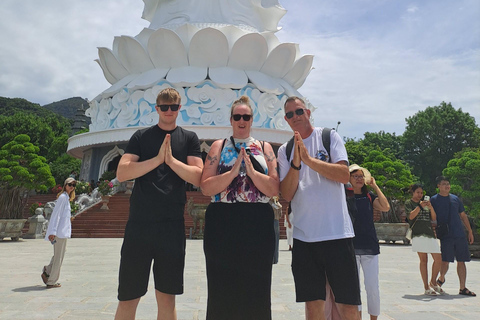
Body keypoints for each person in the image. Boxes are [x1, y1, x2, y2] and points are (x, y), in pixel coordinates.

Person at [113, 88, 204, 320]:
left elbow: (198, 177)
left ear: (179, 108)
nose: (169, 111)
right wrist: (156, 160)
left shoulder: (189, 138)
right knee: (128, 296)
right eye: (164, 107)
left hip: (171, 226)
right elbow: (122, 173)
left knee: (166, 297)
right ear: (157, 109)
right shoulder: (141, 137)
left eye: (174, 107)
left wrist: (171, 160)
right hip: (139, 225)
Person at [277, 96, 361, 320]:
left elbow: (344, 175)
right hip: (305, 238)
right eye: (289, 114)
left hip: (337, 235)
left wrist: (309, 160)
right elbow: (286, 194)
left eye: (299, 112)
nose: (295, 117)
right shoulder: (284, 150)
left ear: (308, 112)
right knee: (313, 306)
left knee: (348, 306)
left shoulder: (328, 136)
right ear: (285, 120)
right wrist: (296, 162)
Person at [200, 96, 279, 319]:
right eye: (237, 117)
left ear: (252, 119)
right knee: (221, 284)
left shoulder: (265, 148)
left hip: (257, 220)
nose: (241, 121)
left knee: (257, 284)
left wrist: (253, 174)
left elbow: (274, 188)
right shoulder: (219, 146)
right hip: (223, 219)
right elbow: (206, 187)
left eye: (246, 116)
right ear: (231, 119)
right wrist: (233, 172)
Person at [348, 164, 390, 320]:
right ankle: (357, 317)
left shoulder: (369, 196)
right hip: (351, 246)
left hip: (370, 246)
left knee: (372, 286)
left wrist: (375, 186)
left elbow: (385, 207)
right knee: (354, 288)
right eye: (355, 176)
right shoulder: (345, 195)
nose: (359, 179)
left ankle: (374, 318)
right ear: (349, 178)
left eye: (361, 176)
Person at [430, 176, 476, 297]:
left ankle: (462, 287)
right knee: (445, 261)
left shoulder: (455, 199)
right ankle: (441, 278)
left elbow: (463, 215)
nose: (447, 186)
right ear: (438, 186)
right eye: (444, 184)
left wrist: (470, 231)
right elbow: (430, 216)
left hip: (459, 234)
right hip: (445, 235)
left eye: (448, 184)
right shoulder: (434, 200)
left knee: (462, 260)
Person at [404, 184, 443, 296]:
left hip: (429, 234)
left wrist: (430, 207)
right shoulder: (409, 203)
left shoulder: (426, 204)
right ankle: (426, 287)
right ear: (413, 192)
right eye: (418, 192)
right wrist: (420, 206)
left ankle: (433, 281)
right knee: (424, 260)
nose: (420, 195)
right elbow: (410, 216)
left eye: (421, 193)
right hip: (418, 234)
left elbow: (434, 218)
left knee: (438, 258)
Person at [42, 177, 76, 289]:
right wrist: (52, 232)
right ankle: (51, 281)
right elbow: (55, 215)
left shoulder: (66, 198)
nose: (71, 187)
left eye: (73, 185)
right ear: (65, 185)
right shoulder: (62, 197)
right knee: (58, 257)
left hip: (63, 232)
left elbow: (62, 216)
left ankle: (47, 270)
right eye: (70, 184)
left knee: (60, 254)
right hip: (58, 233)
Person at [271, 195, 283, 264]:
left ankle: (274, 258)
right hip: (275, 221)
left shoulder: (272, 204)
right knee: (275, 240)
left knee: (275, 240)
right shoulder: (278, 205)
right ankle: (275, 258)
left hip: (274, 221)